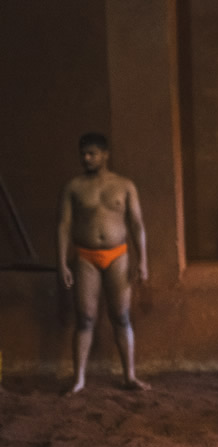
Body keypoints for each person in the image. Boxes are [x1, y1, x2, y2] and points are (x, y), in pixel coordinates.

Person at [56, 132, 150, 395]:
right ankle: (79, 379)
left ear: (105, 154)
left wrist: (143, 260)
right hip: (85, 257)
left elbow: (137, 224)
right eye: (83, 154)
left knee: (121, 316)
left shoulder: (125, 185)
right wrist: (62, 262)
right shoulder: (74, 187)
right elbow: (63, 226)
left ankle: (129, 376)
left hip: (118, 255)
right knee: (85, 318)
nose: (86, 159)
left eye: (92, 154)